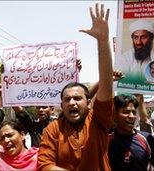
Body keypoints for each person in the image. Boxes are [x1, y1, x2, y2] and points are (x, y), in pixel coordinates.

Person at [37, 3, 114, 170]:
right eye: (67, 99)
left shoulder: (98, 120)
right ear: (61, 105)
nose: (72, 102)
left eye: (77, 98)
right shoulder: (53, 129)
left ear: (88, 101)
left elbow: (106, 83)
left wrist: (103, 41)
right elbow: (45, 165)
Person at [108, 95, 154, 171]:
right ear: (114, 115)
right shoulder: (107, 140)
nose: (132, 116)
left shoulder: (147, 139)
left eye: (134, 112)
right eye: (126, 112)